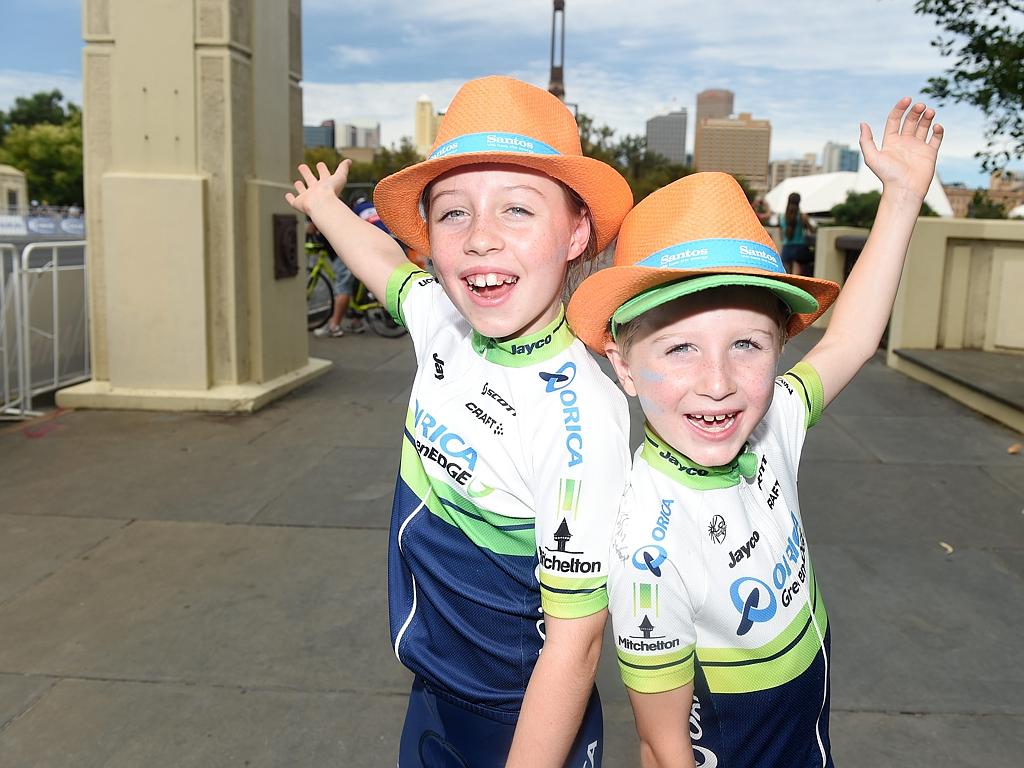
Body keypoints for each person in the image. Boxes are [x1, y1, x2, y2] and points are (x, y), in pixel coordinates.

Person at [566, 98, 941, 767]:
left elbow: (852, 338)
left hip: (808, 716)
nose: (719, 381)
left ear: (780, 350)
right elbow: (660, 743)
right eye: (680, 349)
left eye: (747, 344)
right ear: (623, 366)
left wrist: (903, 196)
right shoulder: (649, 547)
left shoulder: (774, 424)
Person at [285, 76, 634, 767]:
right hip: (433, 690)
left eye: (517, 210)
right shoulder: (444, 323)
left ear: (577, 234)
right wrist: (326, 209)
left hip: (522, 715)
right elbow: (383, 262)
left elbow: (577, 643)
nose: (479, 239)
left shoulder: (580, 420)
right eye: (452, 214)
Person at [307, 218, 360, 337]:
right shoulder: (332, 211)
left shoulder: (318, 216)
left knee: (342, 288)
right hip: (349, 251)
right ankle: (357, 321)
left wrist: (311, 228)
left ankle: (334, 326)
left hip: (342, 255)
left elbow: (310, 231)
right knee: (353, 285)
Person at [781, 191, 816, 276]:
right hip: (799, 250)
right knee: (796, 277)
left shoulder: (782, 216)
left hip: (786, 249)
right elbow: (812, 230)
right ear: (799, 202)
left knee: (786, 276)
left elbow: (782, 234)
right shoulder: (802, 216)